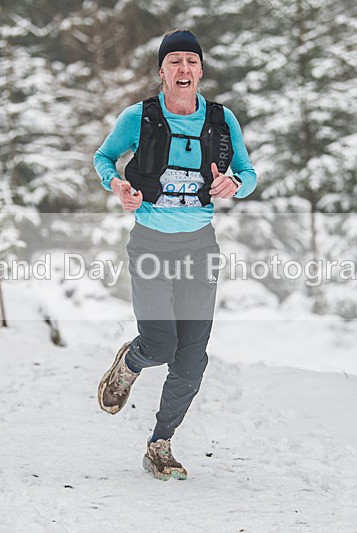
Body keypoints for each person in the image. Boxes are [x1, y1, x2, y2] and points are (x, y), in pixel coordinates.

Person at [93, 29, 257, 480]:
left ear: (201, 70)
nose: (183, 69)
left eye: (191, 61)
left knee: (192, 355)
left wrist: (236, 184)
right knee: (159, 344)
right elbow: (104, 158)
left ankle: (160, 444)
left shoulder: (222, 121)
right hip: (150, 244)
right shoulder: (140, 117)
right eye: (174, 62)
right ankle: (130, 362)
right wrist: (118, 185)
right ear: (162, 71)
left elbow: (248, 171)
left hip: (199, 246)